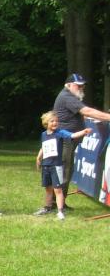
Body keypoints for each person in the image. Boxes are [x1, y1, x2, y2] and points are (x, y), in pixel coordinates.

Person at [52, 73, 110, 203]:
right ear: (68, 85)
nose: (81, 88)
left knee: (66, 170)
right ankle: (54, 204)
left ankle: (59, 203)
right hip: (65, 140)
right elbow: (87, 111)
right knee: (64, 171)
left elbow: (83, 114)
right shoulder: (67, 97)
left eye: (82, 86)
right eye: (78, 85)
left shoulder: (70, 96)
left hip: (67, 139)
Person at [34, 111, 92, 220]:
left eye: (56, 121)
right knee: (48, 189)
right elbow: (43, 147)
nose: (55, 123)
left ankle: (60, 211)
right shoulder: (44, 135)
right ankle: (47, 207)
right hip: (46, 166)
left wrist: (83, 132)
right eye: (52, 121)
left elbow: (72, 135)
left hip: (56, 166)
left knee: (58, 189)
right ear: (46, 123)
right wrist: (38, 157)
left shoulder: (60, 133)